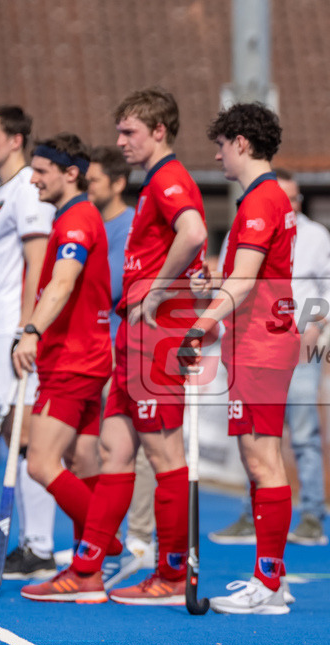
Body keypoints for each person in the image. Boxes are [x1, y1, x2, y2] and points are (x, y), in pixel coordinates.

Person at [22, 87, 207, 604]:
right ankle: (88, 569)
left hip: (156, 334)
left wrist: (160, 286)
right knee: (115, 450)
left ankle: (171, 574)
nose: (119, 141)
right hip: (135, 334)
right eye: (120, 130)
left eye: (129, 132)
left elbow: (192, 232)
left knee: (165, 455)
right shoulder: (153, 183)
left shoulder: (169, 178)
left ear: (159, 132)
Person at [183, 102, 299, 614]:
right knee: (262, 460)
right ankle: (273, 576)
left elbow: (247, 280)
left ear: (242, 144)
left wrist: (199, 325)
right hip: (258, 340)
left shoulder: (258, 201)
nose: (217, 154)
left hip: (260, 344)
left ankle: (269, 582)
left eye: (223, 144)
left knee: (261, 461)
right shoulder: (267, 198)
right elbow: (247, 275)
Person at [209, 169, 330, 547]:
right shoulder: (246, 222)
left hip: (299, 342)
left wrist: (318, 323)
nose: (290, 204)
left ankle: (312, 517)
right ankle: (252, 513)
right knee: (253, 435)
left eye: (295, 198)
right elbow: (229, 281)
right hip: (253, 345)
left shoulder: (315, 234)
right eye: (285, 197)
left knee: (302, 433)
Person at [11, 134, 113, 602]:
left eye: (42, 171)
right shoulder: (74, 217)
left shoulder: (76, 220)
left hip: (72, 360)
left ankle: (101, 544)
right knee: (82, 462)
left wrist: (30, 330)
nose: (33, 179)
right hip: (85, 357)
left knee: (40, 463)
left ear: (70, 173)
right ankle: (87, 570)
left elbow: (63, 281)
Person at [0, 105, 55, 579]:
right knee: (12, 436)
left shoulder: (27, 188)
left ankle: (40, 545)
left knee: (25, 436)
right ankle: (30, 541)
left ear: (16, 140)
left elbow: (37, 260)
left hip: (13, 330)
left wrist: (28, 329)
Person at [86, 145, 156, 586]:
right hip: (95, 351)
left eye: (92, 180)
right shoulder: (88, 224)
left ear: (115, 183)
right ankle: (104, 536)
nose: (85, 187)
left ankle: (140, 537)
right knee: (102, 449)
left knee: (140, 448)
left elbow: (115, 286)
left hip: (128, 350)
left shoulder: (131, 227)